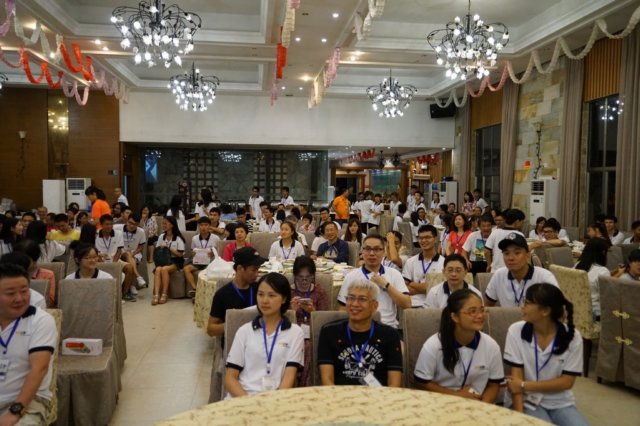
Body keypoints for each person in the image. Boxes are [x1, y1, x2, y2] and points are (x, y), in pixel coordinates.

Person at [504, 284, 588, 425]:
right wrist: (519, 417)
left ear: (545, 311)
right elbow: (515, 381)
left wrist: (524, 385)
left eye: (528, 303)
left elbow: (567, 382)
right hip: (527, 400)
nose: (522, 307)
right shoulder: (516, 331)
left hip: (560, 402)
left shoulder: (573, 337)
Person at [224, 272, 304, 397]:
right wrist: (249, 403)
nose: (264, 300)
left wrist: (271, 404)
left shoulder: (295, 332)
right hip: (242, 398)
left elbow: (289, 377)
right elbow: (230, 378)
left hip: (276, 400)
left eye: (271, 295)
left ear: (284, 299)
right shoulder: (244, 331)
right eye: (260, 294)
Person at [415, 289, 503, 402]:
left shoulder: (491, 346)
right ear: (455, 317)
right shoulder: (433, 345)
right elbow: (422, 383)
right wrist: (457, 396)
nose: (480, 316)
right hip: (441, 403)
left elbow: (494, 385)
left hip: (478, 403)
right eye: (472, 311)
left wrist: (481, 407)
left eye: (482, 310)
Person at [0, 263, 57, 425]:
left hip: (29, 401)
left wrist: (15, 411)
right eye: (10, 293)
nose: (19, 298)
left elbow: (39, 369)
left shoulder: (40, 321)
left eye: (24, 291)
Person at [319, 279, 403, 387]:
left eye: (362, 299)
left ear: (374, 306)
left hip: (379, 396)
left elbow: (394, 384)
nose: (354, 304)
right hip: (339, 395)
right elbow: (327, 380)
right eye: (351, 298)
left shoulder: (390, 335)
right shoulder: (329, 332)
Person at [338, 235, 411, 329]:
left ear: (384, 252)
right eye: (368, 249)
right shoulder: (351, 276)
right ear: (362, 252)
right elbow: (343, 308)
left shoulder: (394, 274)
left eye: (376, 249)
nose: (372, 253)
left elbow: (407, 304)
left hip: (387, 326)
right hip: (358, 327)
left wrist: (386, 285)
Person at [485, 233, 559, 308]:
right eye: (506, 253)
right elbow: (487, 306)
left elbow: (557, 309)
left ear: (527, 255)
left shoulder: (544, 277)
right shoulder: (499, 275)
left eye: (517, 253)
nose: (511, 258)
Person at [207, 247, 265, 340]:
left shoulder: (260, 289)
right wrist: (234, 324)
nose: (257, 274)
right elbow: (210, 329)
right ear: (240, 268)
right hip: (234, 341)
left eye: (258, 269)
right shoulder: (222, 294)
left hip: (259, 339)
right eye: (254, 270)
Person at [290, 256, 329, 386]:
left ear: (313, 276)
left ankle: (304, 383)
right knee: (302, 345)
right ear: (295, 276)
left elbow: (325, 320)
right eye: (300, 277)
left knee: (308, 346)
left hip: (313, 331)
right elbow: (281, 318)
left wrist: (313, 312)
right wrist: (292, 311)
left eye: (308, 277)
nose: (304, 281)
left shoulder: (319, 292)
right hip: (293, 330)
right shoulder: (289, 291)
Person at [403, 225, 445, 307]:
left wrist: (412, 284)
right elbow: (404, 287)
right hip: (414, 305)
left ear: (435, 239)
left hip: (435, 306)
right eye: (421, 238)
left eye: (427, 237)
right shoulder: (410, 261)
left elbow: (439, 289)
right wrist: (426, 288)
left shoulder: (444, 262)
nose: (423, 241)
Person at [183, 217, 219, 298]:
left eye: (206, 225)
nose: (203, 227)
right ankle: (195, 289)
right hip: (198, 262)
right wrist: (193, 254)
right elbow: (192, 251)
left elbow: (219, 253)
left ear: (209, 226)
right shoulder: (195, 238)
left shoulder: (216, 238)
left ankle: (207, 292)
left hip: (210, 262)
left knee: (209, 271)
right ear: (198, 226)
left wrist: (213, 253)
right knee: (186, 269)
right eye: (201, 225)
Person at [152, 216, 185, 306]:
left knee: (164, 269)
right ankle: (156, 295)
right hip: (163, 260)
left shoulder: (178, 238)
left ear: (172, 225)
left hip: (176, 261)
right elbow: (157, 251)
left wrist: (168, 248)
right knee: (158, 269)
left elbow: (180, 255)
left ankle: (164, 294)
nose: (163, 225)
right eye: (163, 223)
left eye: (165, 223)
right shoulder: (161, 236)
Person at [574, 238, 610, 320]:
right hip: (595, 313)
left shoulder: (577, 265)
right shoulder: (603, 271)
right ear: (603, 252)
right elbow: (606, 298)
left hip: (577, 309)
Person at [121, 213, 148, 292]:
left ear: (138, 224)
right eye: (130, 223)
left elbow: (141, 246)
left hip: (134, 253)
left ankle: (132, 285)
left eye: (135, 224)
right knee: (128, 254)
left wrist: (134, 253)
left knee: (130, 257)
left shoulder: (141, 231)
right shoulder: (118, 228)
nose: (132, 226)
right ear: (127, 221)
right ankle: (137, 278)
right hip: (120, 253)